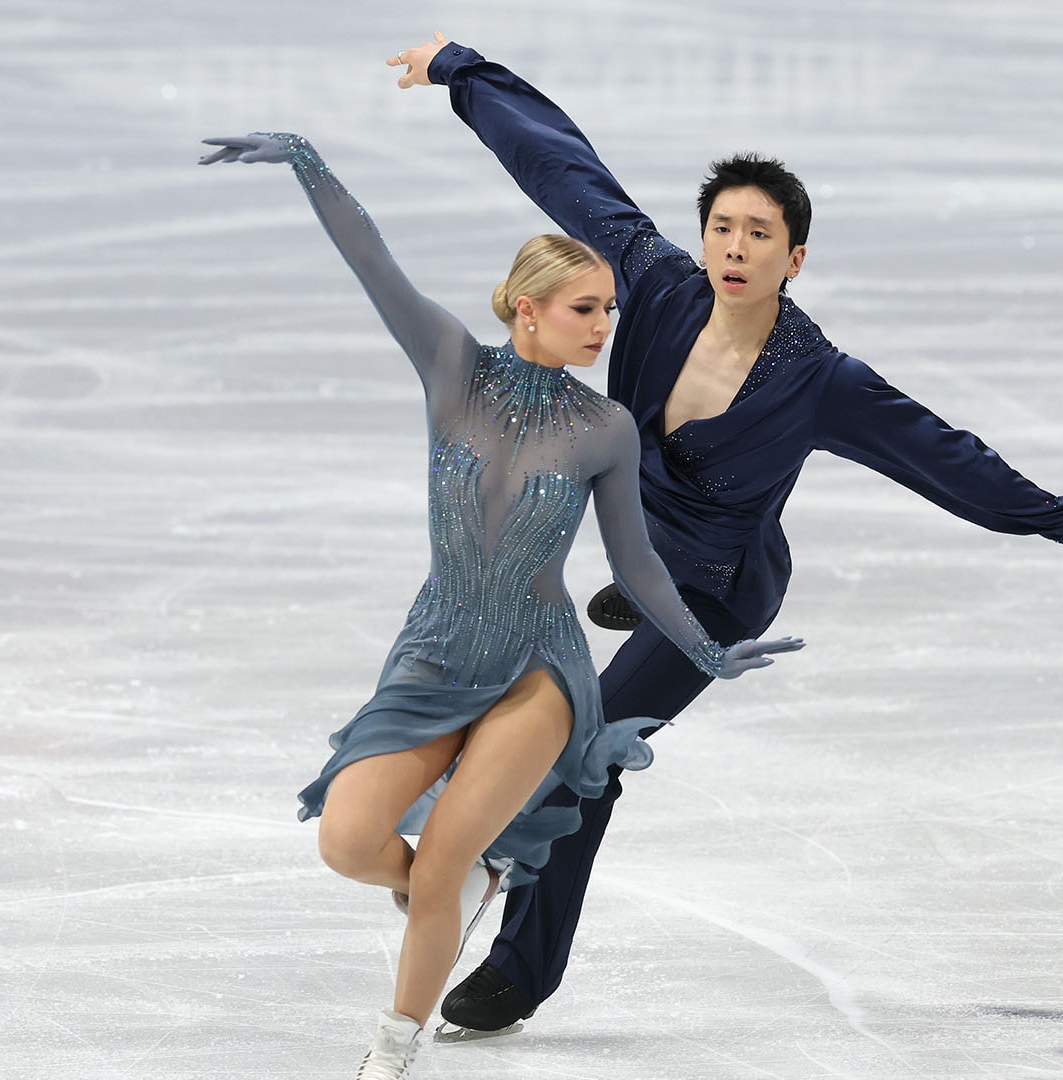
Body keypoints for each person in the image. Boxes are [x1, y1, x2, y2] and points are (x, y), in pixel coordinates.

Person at [386, 34, 1063, 1034]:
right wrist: (463, 70)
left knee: (589, 750)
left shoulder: (818, 379)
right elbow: (566, 169)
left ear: (794, 257)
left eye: (759, 233)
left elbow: (943, 454)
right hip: (645, 543)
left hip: (717, 587)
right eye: (722, 228)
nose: (735, 246)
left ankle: (521, 969)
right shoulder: (656, 288)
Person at [197, 131, 802, 1077]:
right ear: (528, 311)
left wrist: (704, 648)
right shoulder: (451, 368)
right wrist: (309, 161)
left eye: (609, 308)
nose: (606, 328)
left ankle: (393, 1046)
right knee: (350, 841)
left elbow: (638, 567)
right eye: (586, 309)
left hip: (536, 668)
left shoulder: (601, 428)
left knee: (435, 865)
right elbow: (373, 262)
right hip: (436, 651)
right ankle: (467, 881)